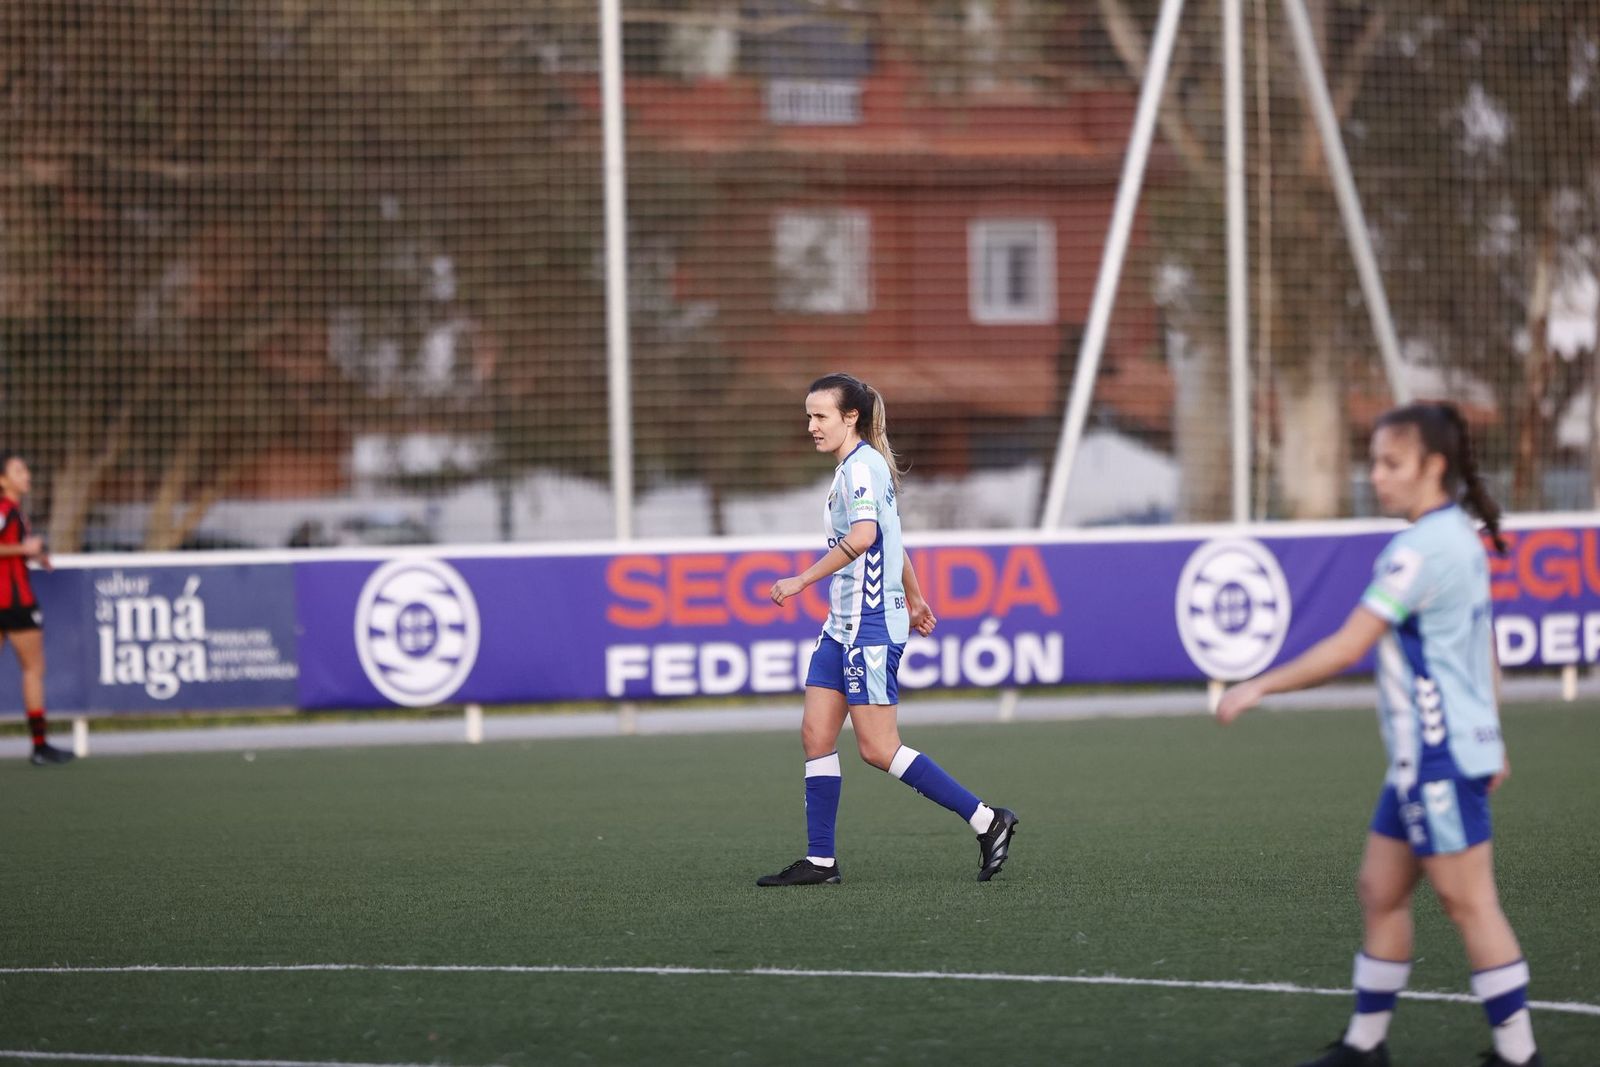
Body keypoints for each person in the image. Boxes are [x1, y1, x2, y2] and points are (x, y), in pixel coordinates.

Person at [1216, 403, 1538, 1067]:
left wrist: (1258, 685)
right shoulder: (1458, 535)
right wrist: (1494, 734)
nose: (1377, 475)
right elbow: (1479, 647)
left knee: (1469, 902)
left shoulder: (1419, 550)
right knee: (1380, 889)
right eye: (1374, 461)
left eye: (1391, 462)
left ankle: (1519, 1054)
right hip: (1429, 756)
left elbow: (1347, 646)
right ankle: (1365, 1047)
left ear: (1433, 466)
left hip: (1439, 755)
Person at [756, 374, 1017, 887]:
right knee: (815, 735)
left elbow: (866, 535)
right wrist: (917, 597)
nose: (811, 426)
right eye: (808, 416)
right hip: (842, 626)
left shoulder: (861, 468)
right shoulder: (857, 467)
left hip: (869, 627)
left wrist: (802, 579)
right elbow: (892, 541)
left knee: (877, 748)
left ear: (850, 417)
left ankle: (988, 820)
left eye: (820, 416)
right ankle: (821, 861)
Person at [0, 452, 72, 766]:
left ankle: (41, 745)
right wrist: (24, 549)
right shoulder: (4, 509)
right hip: (15, 602)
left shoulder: (16, 512)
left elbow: (13, 551)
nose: (26, 475)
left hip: (11, 598)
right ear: (3, 480)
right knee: (33, 670)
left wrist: (34, 556)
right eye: (19, 470)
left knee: (32, 670)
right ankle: (40, 746)